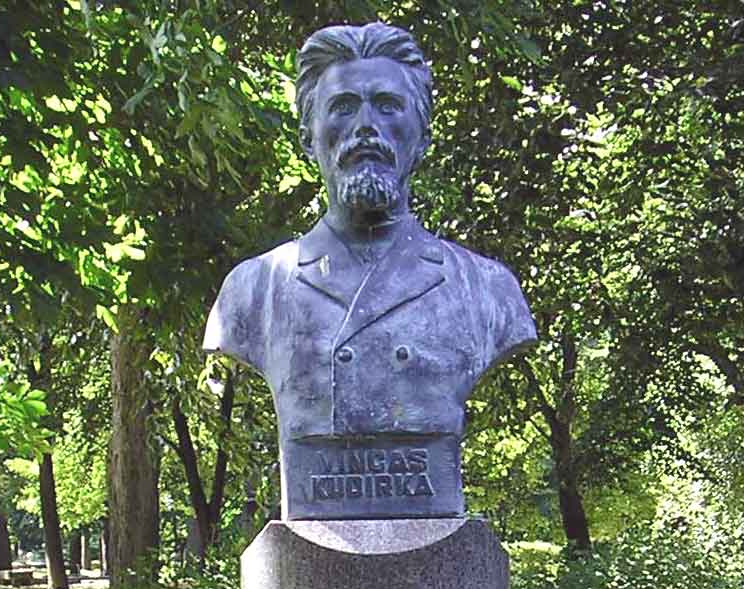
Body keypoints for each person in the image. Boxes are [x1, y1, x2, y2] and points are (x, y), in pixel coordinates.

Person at [203, 21, 536, 519]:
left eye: (387, 106)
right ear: (307, 136)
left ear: (421, 136)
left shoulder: (486, 291)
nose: (366, 127)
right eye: (342, 107)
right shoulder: (253, 291)